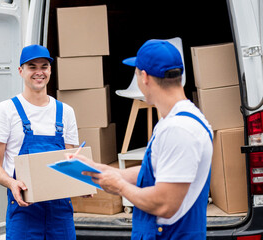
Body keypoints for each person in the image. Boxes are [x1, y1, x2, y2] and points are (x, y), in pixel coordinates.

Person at [73, 39, 213, 239]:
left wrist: (120, 187)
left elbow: (164, 204)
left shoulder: (179, 130)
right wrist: (100, 170)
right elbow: (158, 170)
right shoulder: (178, 120)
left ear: (144, 77)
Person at [0, 44, 79, 240]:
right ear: (21, 71)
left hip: (60, 210)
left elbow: (70, 162)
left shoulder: (66, 112)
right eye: (32, 67)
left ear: (50, 70)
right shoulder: (6, 110)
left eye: (44, 66)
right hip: (24, 210)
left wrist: (81, 182)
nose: (39, 72)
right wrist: (11, 183)